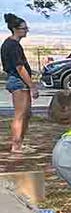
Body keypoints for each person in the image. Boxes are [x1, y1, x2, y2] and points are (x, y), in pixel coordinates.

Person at [3, 13, 36, 154]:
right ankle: (16, 146)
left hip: (18, 81)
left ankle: (20, 143)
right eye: (24, 28)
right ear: (15, 29)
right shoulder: (12, 45)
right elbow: (19, 68)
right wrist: (32, 86)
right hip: (18, 81)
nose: (26, 30)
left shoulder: (12, 44)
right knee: (20, 115)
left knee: (26, 114)